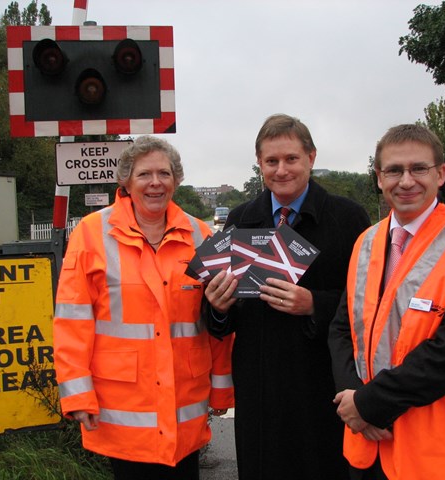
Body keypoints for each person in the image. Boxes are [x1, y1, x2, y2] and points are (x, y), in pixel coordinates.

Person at [328, 124, 445, 480]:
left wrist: (368, 405)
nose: (406, 181)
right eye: (394, 170)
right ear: (379, 178)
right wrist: (354, 402)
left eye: (418, 169)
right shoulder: (366, 241)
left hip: (438, 451)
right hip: (369, 446)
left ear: (440, 174)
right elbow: (342, 329)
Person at [53, 136, 234, 480]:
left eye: (164, 174)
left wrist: (222, 387)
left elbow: (217, 320)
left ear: (176, 180)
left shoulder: (201, 235)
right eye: (144, 174)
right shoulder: (92, 234)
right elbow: (72, 320)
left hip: (185, 409)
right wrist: (77, 395)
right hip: (123, 409)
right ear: (126, 180)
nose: (155, 183)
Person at [204, 114, 371, 479]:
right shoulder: (241, 219)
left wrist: (315, 304)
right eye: (271, 161)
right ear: (260, 163)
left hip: (323, 381)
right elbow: (219, 316)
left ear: (311, 157)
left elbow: (369, 303)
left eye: (291, 159)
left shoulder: (348, 218)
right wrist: (217, 307)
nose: (282, 170)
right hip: (260, 385)